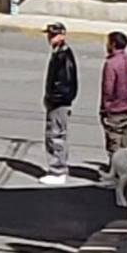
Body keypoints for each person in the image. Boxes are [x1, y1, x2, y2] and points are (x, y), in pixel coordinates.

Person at [41, 22, 78, 186]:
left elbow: (66, 83)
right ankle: (57, 167)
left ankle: (58, 170)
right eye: (49, 34)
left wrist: (54, 99)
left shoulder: (64, 56)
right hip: (56, 101)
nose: (50, 38)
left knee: (56, 135)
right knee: (54, 134)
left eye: (54, 34)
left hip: (59, 103)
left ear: (62, 35)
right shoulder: (58, 53)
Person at [100, 31, 127, 179]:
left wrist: (104, 107)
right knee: (124, 142)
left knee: (114, 143)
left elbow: (108, 89)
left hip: (114, 109)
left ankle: (114, 175)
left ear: (113, 44)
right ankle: (125, 172)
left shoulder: (111, 63)